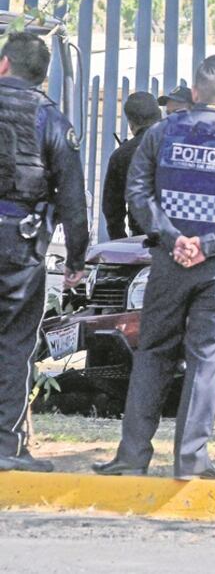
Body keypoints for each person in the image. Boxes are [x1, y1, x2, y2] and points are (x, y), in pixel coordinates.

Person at [92, 56, 215, 480]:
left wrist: (172, 237)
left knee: (153, 354)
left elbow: (137, 192)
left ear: (194, 94)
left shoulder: (161, 133)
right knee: (206, 361)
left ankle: (131, 456)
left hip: (168, 264)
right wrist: (209, 245)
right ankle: (191, 460)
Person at [0, 32, 88, 472]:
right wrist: (76, 260)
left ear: (3, 65)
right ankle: (6, 447)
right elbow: (73, 198)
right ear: (43, 76)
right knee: (14, 345)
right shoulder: (51, 118)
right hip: (19, 246)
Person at [102, 92, 161, 239]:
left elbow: (112, 209)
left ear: (131, 123)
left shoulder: (121, 155)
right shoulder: (180, 147)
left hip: (142, 239)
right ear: (159, 116)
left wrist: (120, 240)